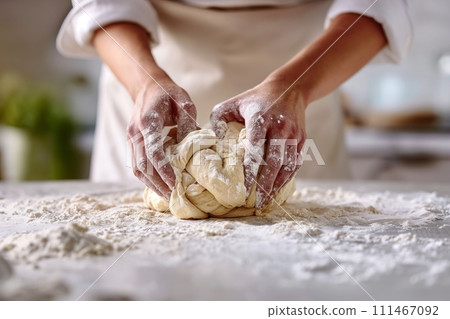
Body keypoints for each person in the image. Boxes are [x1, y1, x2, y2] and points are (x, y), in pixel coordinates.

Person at [57, 0, 411, 209]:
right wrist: (145, 83)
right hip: (146, 84)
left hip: (306, 80)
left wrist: (295, 88)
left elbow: (377, 5)